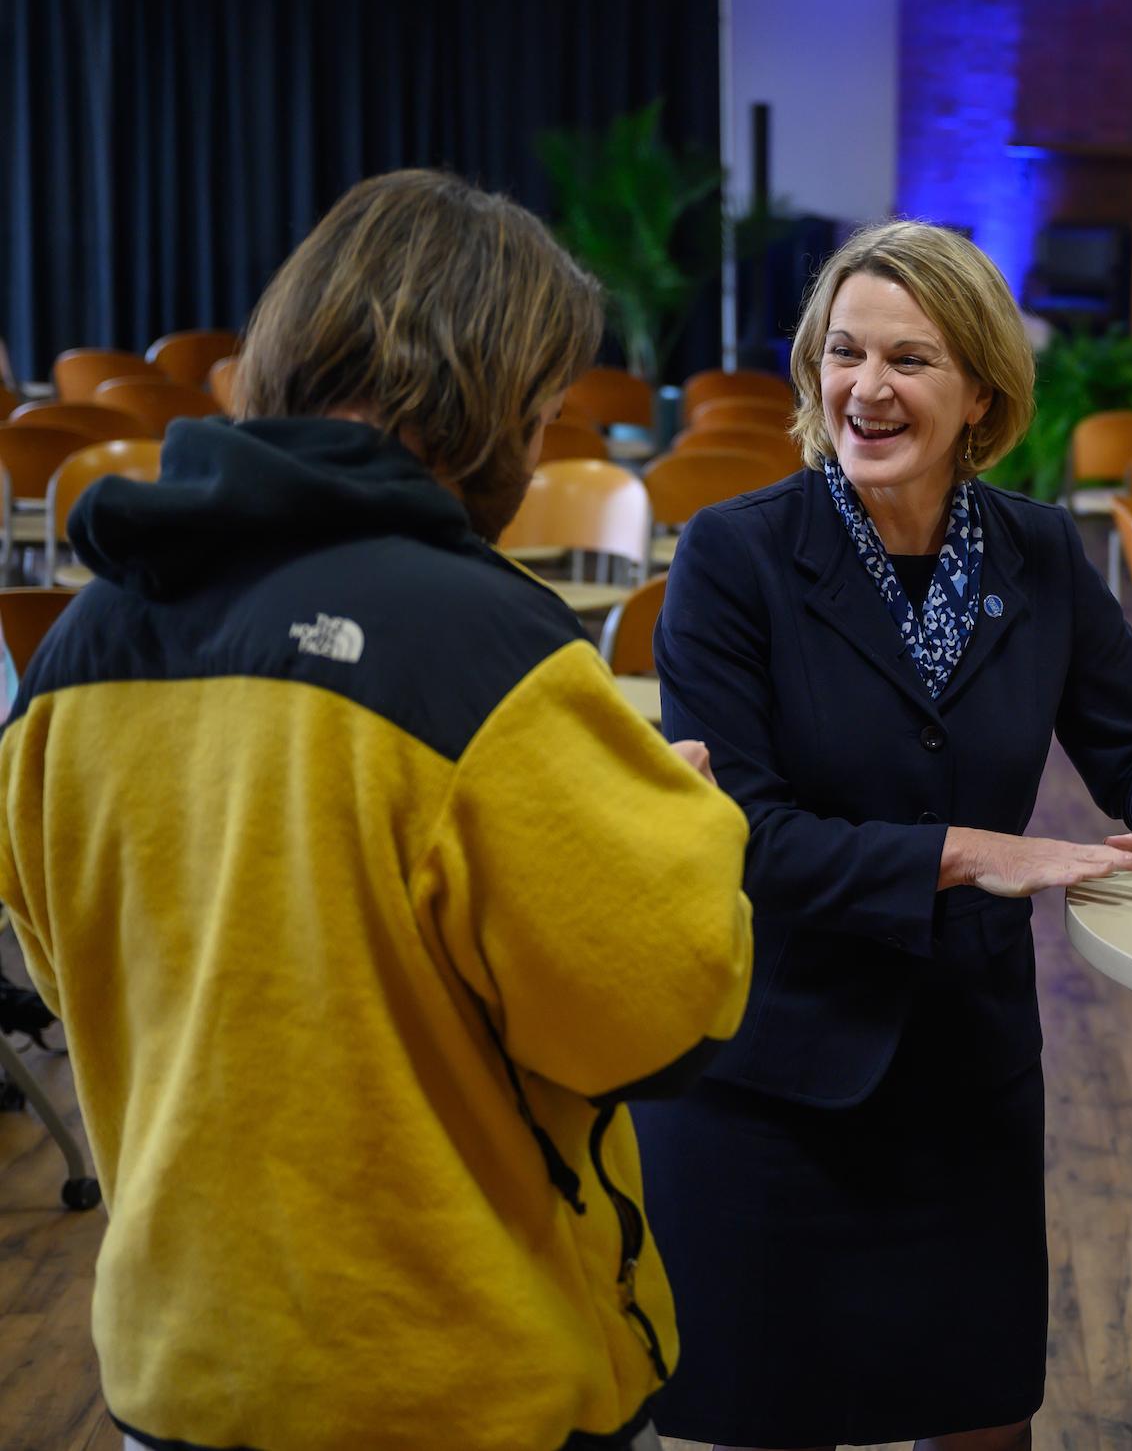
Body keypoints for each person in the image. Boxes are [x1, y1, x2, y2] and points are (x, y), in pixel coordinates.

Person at [0, 169, 753, 1451]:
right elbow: (658, 1017)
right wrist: (685, 826)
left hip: (177, 1368)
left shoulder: (81, 647)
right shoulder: (487, 649)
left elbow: (73, 973)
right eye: (543, 404)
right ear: (488, 397)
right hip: (446, 1381)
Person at [637, 219, 1132, 1451]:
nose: (865, 388)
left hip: (962, 1075)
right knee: (768, 1421)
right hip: (771, 1075)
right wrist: (973, 853)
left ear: (982, 388)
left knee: (982, 1418)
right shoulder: (737, 555)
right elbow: (745, 835)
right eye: (843, 353)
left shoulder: (1039, 551)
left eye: (910, 360)